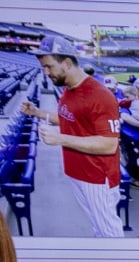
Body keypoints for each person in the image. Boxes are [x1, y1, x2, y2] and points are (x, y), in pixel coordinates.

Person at [22, 35, 122, 239]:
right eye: (43, 67)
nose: (46, 72)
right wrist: (38, 113)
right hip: (77, 171)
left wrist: (60, 138)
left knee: (110, 233)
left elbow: (109, 145)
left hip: (95, 176)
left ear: (67, 63)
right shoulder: (68, 89)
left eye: (49, 66)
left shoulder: (100, 95)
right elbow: (70, 120)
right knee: (98, 227)